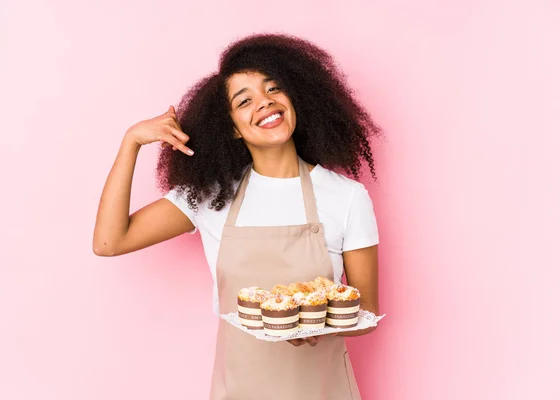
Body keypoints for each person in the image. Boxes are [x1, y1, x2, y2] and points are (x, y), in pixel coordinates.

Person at [93, 33, 381, 399]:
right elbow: (108, 241)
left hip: (322, 389)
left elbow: (367, 311)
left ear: (295, 98)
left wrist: (317, 327)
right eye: (245, 101)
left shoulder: (347, 197)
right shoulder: (212, 196)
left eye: (274, 89)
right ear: (229, 125)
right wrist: (131, 141)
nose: (265, 104)